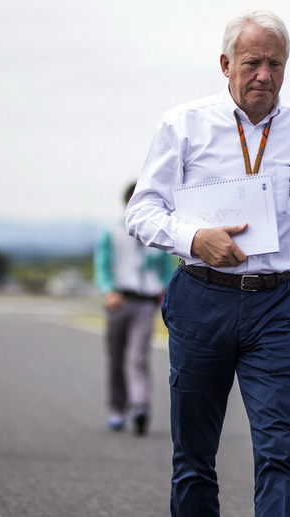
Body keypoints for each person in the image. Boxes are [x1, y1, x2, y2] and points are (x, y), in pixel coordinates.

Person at [125, 9, 290, 517]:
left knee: (278, 453)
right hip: (202, 298)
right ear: (226, 64)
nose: (265, 74)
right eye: (253, 62)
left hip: (277, 306)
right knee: (194, 458)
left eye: (276, 64)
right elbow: (141, 211)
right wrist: (195, 238)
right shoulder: (183, 124)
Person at [94, 181, 174, 436]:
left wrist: (166, 299)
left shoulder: (157, 234)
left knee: (139, 356)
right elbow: (102, 265)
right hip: (120, 301)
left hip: (145, 303)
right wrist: (108, 291)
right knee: (116, 358)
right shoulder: (112, 233)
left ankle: (140, 407)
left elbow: (165, 271)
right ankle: (117, 408)